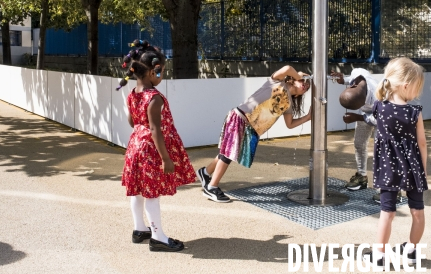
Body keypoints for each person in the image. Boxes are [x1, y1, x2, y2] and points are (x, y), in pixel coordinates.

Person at [118, 40, 196, 252]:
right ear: (155, 71)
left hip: (136, 145)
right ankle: (158, 237)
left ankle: (139, 229)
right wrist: (166, 158)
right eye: (163, 71)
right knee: (152, 194)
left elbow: (133, 122)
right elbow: (156, 130)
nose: (164, 75)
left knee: (138, 192)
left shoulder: (132, 94)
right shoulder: (155, 98)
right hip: (151, 150)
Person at [196, 65, 312, 203]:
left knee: (227, 151)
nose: (305, 85)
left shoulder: (289, 104)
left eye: (307, 86)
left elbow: (290, 124)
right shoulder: (277, 82)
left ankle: (205, 172)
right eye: (303, 81)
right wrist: (298, 75)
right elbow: (287, 68)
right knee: (228, 154)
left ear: (300, 95)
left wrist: (308, 117)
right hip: (240, 116)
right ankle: (212, 187)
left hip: (248, 126)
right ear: (293, 79)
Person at [362, 57, 428, 269]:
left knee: (387, 212)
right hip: (413, 168)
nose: (417, 93)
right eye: (417, 87)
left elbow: (369, 119)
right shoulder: (414, 112)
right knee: (417, 211)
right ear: (407, 86)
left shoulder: (380, 108)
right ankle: (411, 251)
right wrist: (422, 170)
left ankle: (379, 256)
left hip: (388, 167)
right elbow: (423, 144)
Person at [330, 68, 379, 191]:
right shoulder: (357, 74)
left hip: (381, 117)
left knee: (381, 150)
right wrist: (343, 80)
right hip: (364, 113)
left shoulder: (379, 96)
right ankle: (362, 177)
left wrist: (357, 117)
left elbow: (380, 119)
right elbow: (353, 78)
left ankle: (385, 187)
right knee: (359, 144)